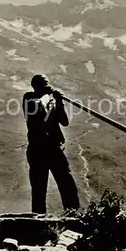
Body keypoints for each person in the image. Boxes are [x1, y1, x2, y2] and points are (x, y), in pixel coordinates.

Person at [22, 74, 80, 214]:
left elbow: (64, 122)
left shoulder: (51, 101)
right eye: (44, 84)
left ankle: (72, 214)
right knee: (39, 188)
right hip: (38, 149)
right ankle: (38, 219)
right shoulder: (29, 98)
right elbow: (40, 108)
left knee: (67, 183)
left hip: (54, 148)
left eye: (47, 83)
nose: (47, 86)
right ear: (35, 86)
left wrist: (59, 103)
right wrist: (50, 96)